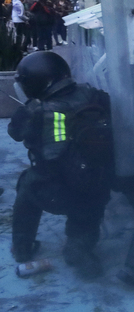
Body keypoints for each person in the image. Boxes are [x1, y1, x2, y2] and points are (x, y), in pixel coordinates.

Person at [8, 52, 112, 278]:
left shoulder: (36, 111)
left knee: (27, 183)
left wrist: (28, 107)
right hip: (95, 190)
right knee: (83, 227)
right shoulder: (93, 95)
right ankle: (80, 251)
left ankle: (22, 248)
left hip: (54, 192)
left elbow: (14, 132)